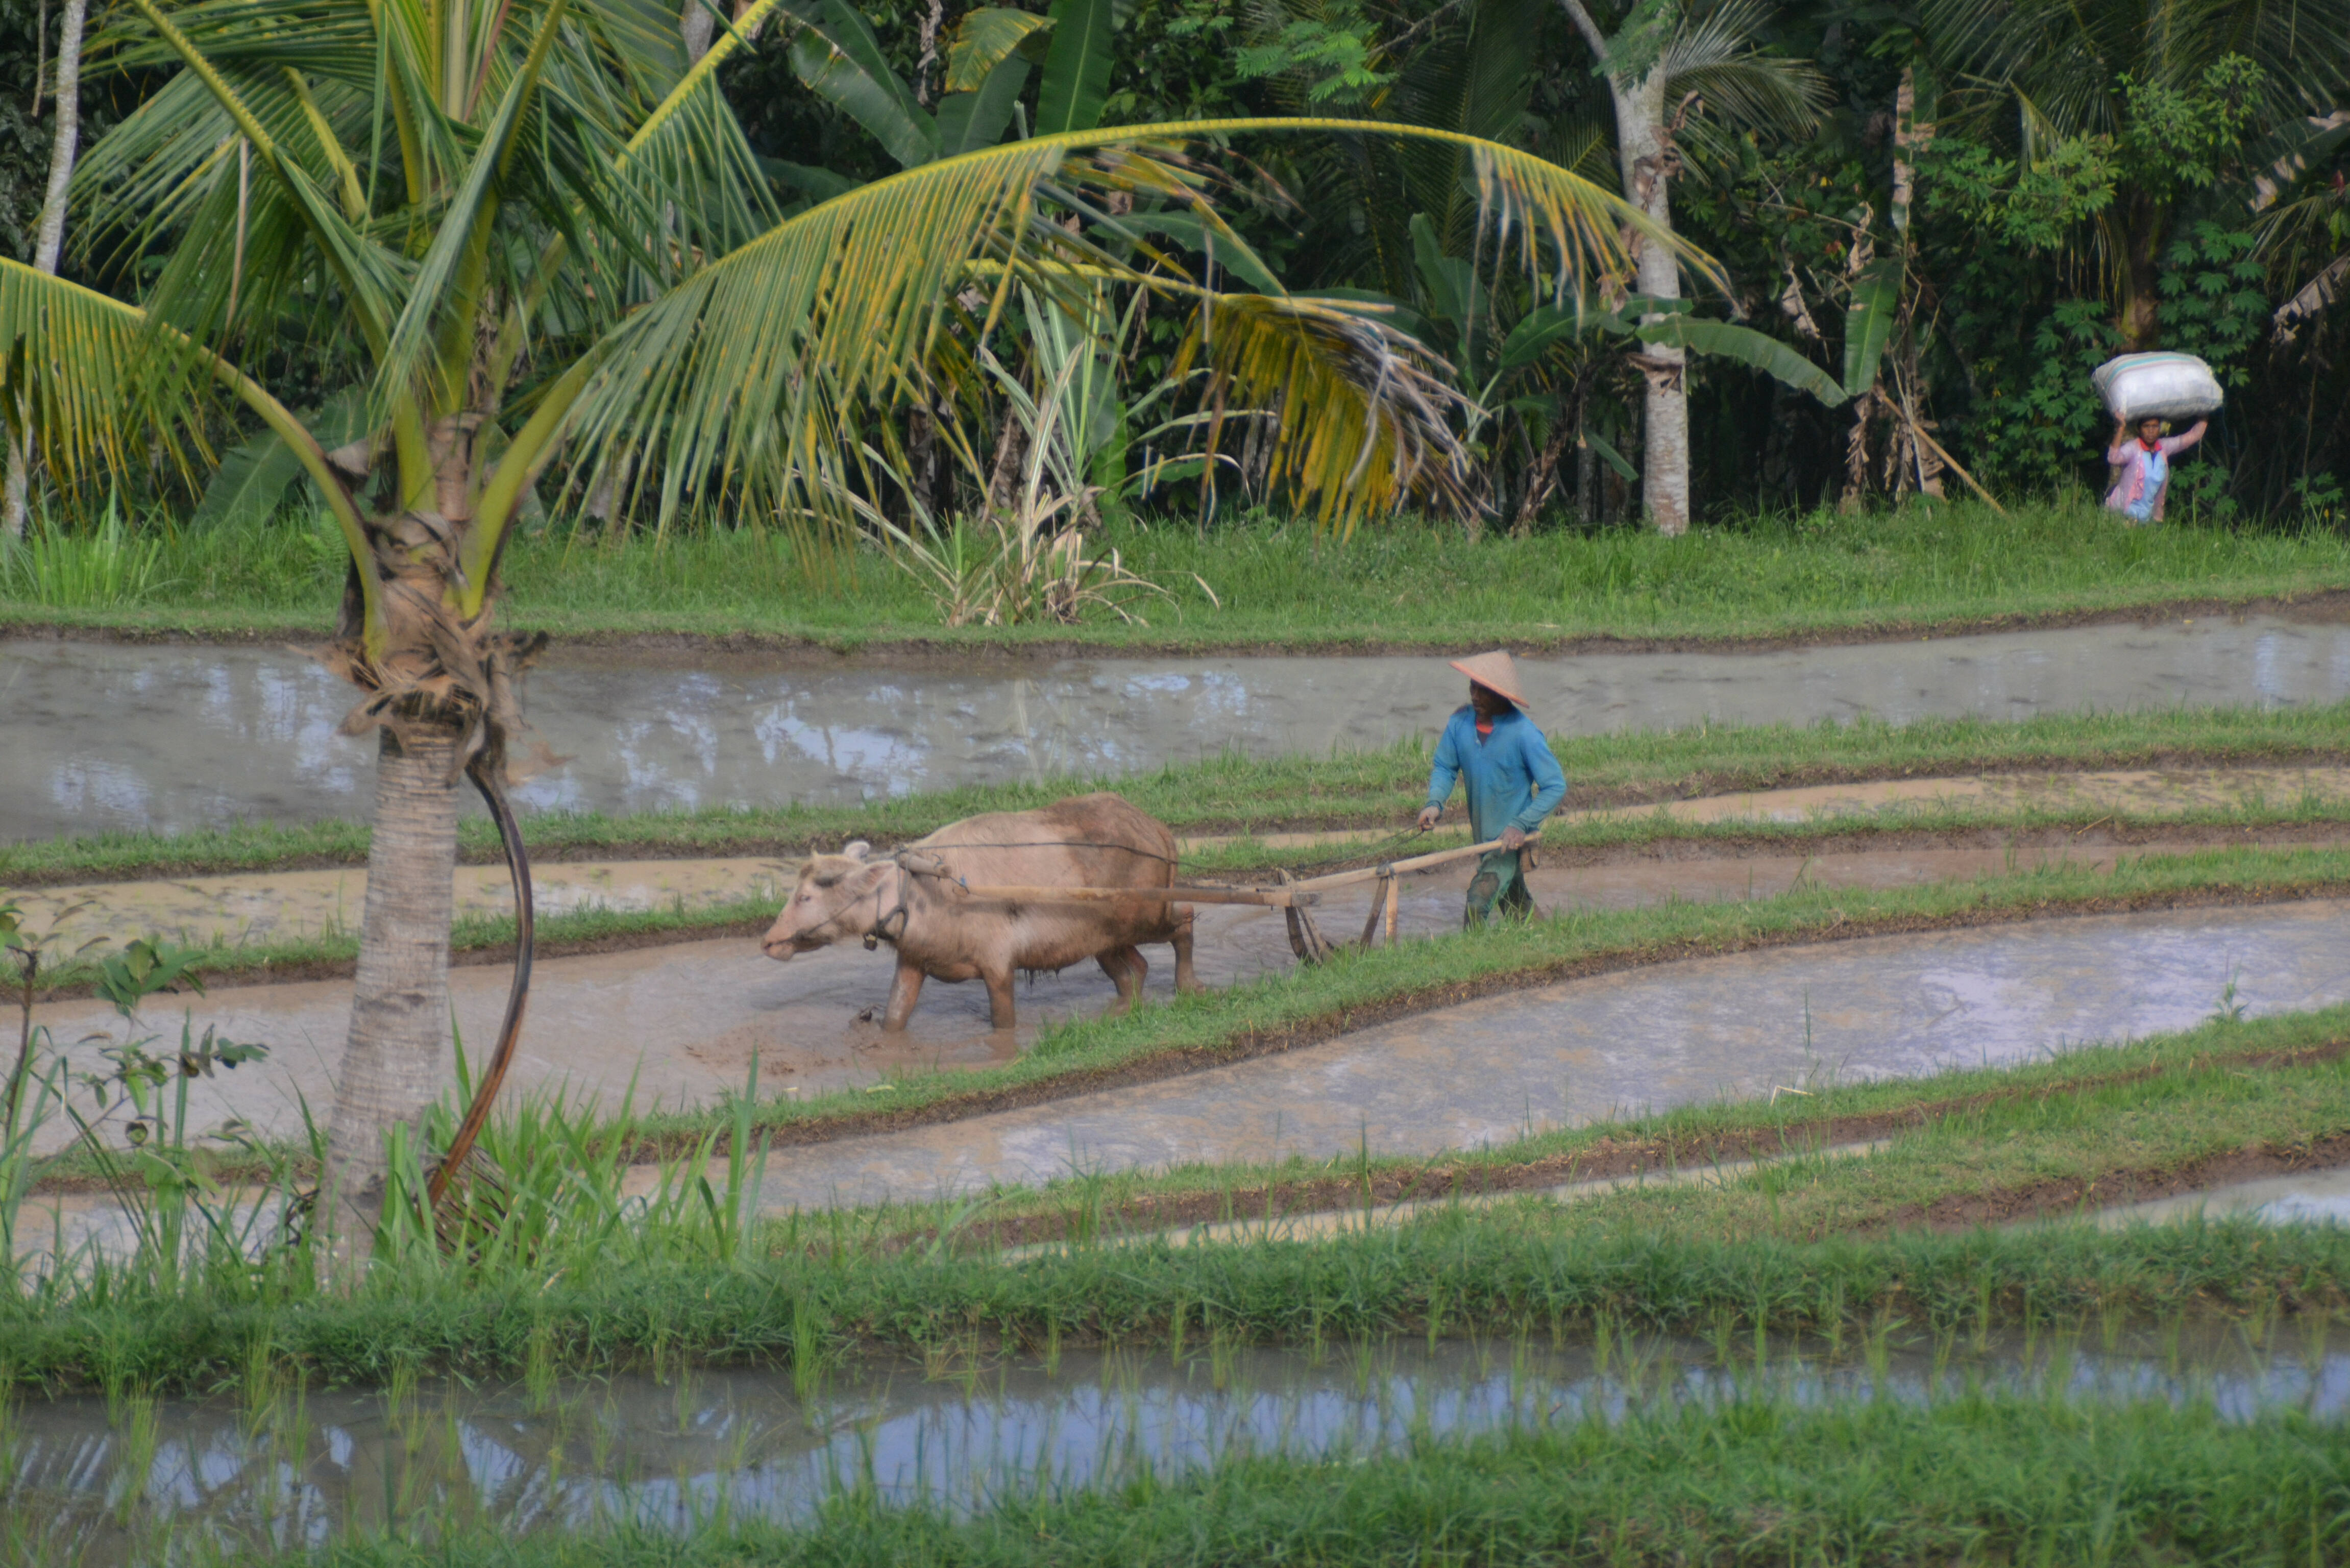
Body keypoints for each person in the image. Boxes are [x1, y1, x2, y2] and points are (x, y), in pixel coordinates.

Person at [1415, 651, 1568, 926]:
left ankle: (1471, 963)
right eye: (1473, 687)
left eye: (1483, 690)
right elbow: (1445, 767)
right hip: (1484, 840)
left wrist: (1521, 824)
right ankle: (1545, 939)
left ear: (1501, 694)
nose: (1475, 695)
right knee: (1516, 904)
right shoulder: (1459, 723)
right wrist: (1434, 803)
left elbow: (1555, 785)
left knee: (1478, 900)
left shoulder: (1524, 734)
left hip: (1508, 842)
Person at [2104, 414, 2207, 523]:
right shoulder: (2133, 448)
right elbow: (2113, 458)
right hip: (2122, 514)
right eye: (2146, 426)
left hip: (2145, 518)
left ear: (2160, 429)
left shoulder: (2164, 447)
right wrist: (2120, 429)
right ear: (2139, 430)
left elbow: (2194, 436)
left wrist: (2205, 414)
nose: (2151, 431)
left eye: (2155, 426)